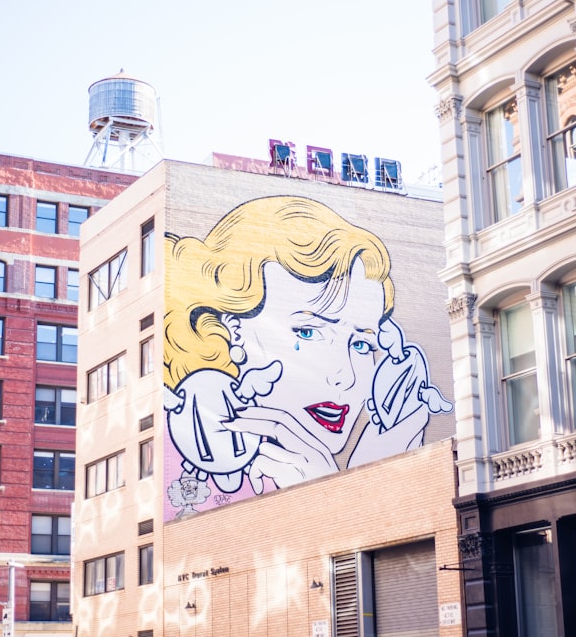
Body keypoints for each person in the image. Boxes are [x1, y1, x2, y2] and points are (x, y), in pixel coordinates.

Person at [163, 196, 450, 506]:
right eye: (309, 332)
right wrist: (340, 500)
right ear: (234, 331)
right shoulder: (186, 452)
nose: (346, 377)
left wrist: (367, 487)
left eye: (361, 344)